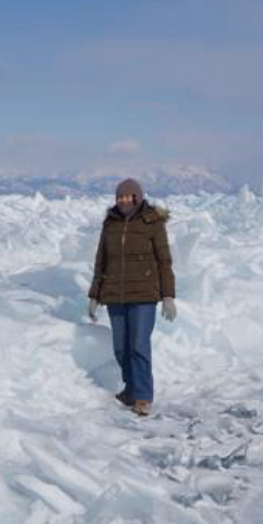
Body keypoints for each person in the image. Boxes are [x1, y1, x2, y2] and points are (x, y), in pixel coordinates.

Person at [87, 178, 177, 416]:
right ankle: (131, 388)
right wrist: (94, 294)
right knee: (120, 348)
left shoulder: (152, 222)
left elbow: (164, 261)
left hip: (144, 295)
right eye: (119, 197)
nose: (124, 200)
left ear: (138, 197)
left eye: (128, 196)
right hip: (115, 295)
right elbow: (101, 261)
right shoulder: (110, 223)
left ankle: (143, 396)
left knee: (138, 345)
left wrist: (167, 295)